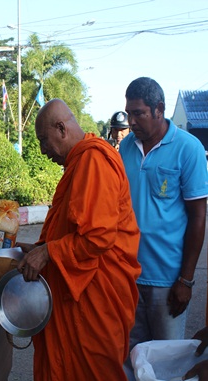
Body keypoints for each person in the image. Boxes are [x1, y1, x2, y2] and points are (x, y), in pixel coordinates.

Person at [16, 99, 141, 380]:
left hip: (94, 300)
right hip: (75, 295)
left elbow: (98, 237)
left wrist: (48, 253)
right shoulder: (80, 162)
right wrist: (38, 249)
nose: (42, 150)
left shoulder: (94, 160)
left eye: (43, 140)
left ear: (61, 128)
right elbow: (72, 231)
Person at [119, 77, 208, 379]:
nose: (131, 122)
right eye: (128, 113)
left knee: (167, 363)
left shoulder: (188, 148)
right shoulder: (126, 149)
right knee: (130, 358)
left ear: (159, 109)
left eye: (138, 113)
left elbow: (198, 216)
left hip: (168, 282)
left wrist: (186, 280)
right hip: (128, 274)